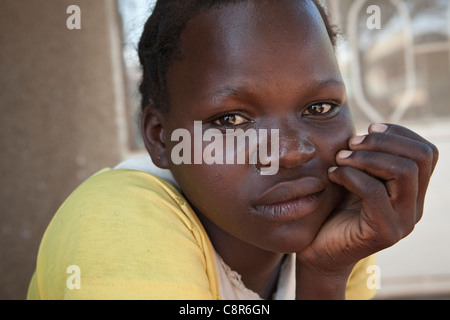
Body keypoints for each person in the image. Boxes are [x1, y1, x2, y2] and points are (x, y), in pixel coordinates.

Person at [27, 0, 438, 300]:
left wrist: (326, 273)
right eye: (232, 120)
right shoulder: (116, 222)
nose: (292, 153)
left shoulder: (342, 227)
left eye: (320, 108)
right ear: (159, 137)